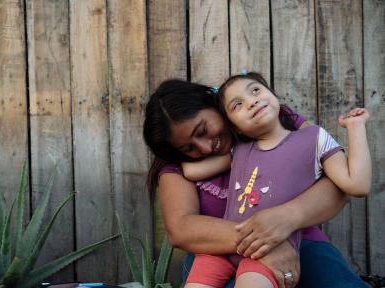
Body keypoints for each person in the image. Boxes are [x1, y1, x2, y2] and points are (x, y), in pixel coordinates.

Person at [143, 78, 370, 288]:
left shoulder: (269, 121)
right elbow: (181, 229)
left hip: (299, 242)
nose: (204, 148)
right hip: (217, 253)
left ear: (217, 106)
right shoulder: (177, 165)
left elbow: (339, 183)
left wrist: (287, 218)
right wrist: (264, 241)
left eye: (202, 130)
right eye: (188, 148)